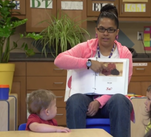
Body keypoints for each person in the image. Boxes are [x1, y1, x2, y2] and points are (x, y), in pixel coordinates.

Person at [54, 4, 133, 137]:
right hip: (85, 98)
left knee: (120, 100)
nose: (105, 33)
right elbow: (59, 60)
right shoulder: (86, 47)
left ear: (117, 32)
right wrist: (88, 63)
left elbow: (122, 86)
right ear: (96, 30)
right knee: (74, 100)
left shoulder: (124, 53)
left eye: (110, 30)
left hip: (110, 101)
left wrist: (99, 102)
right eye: (102, 29)